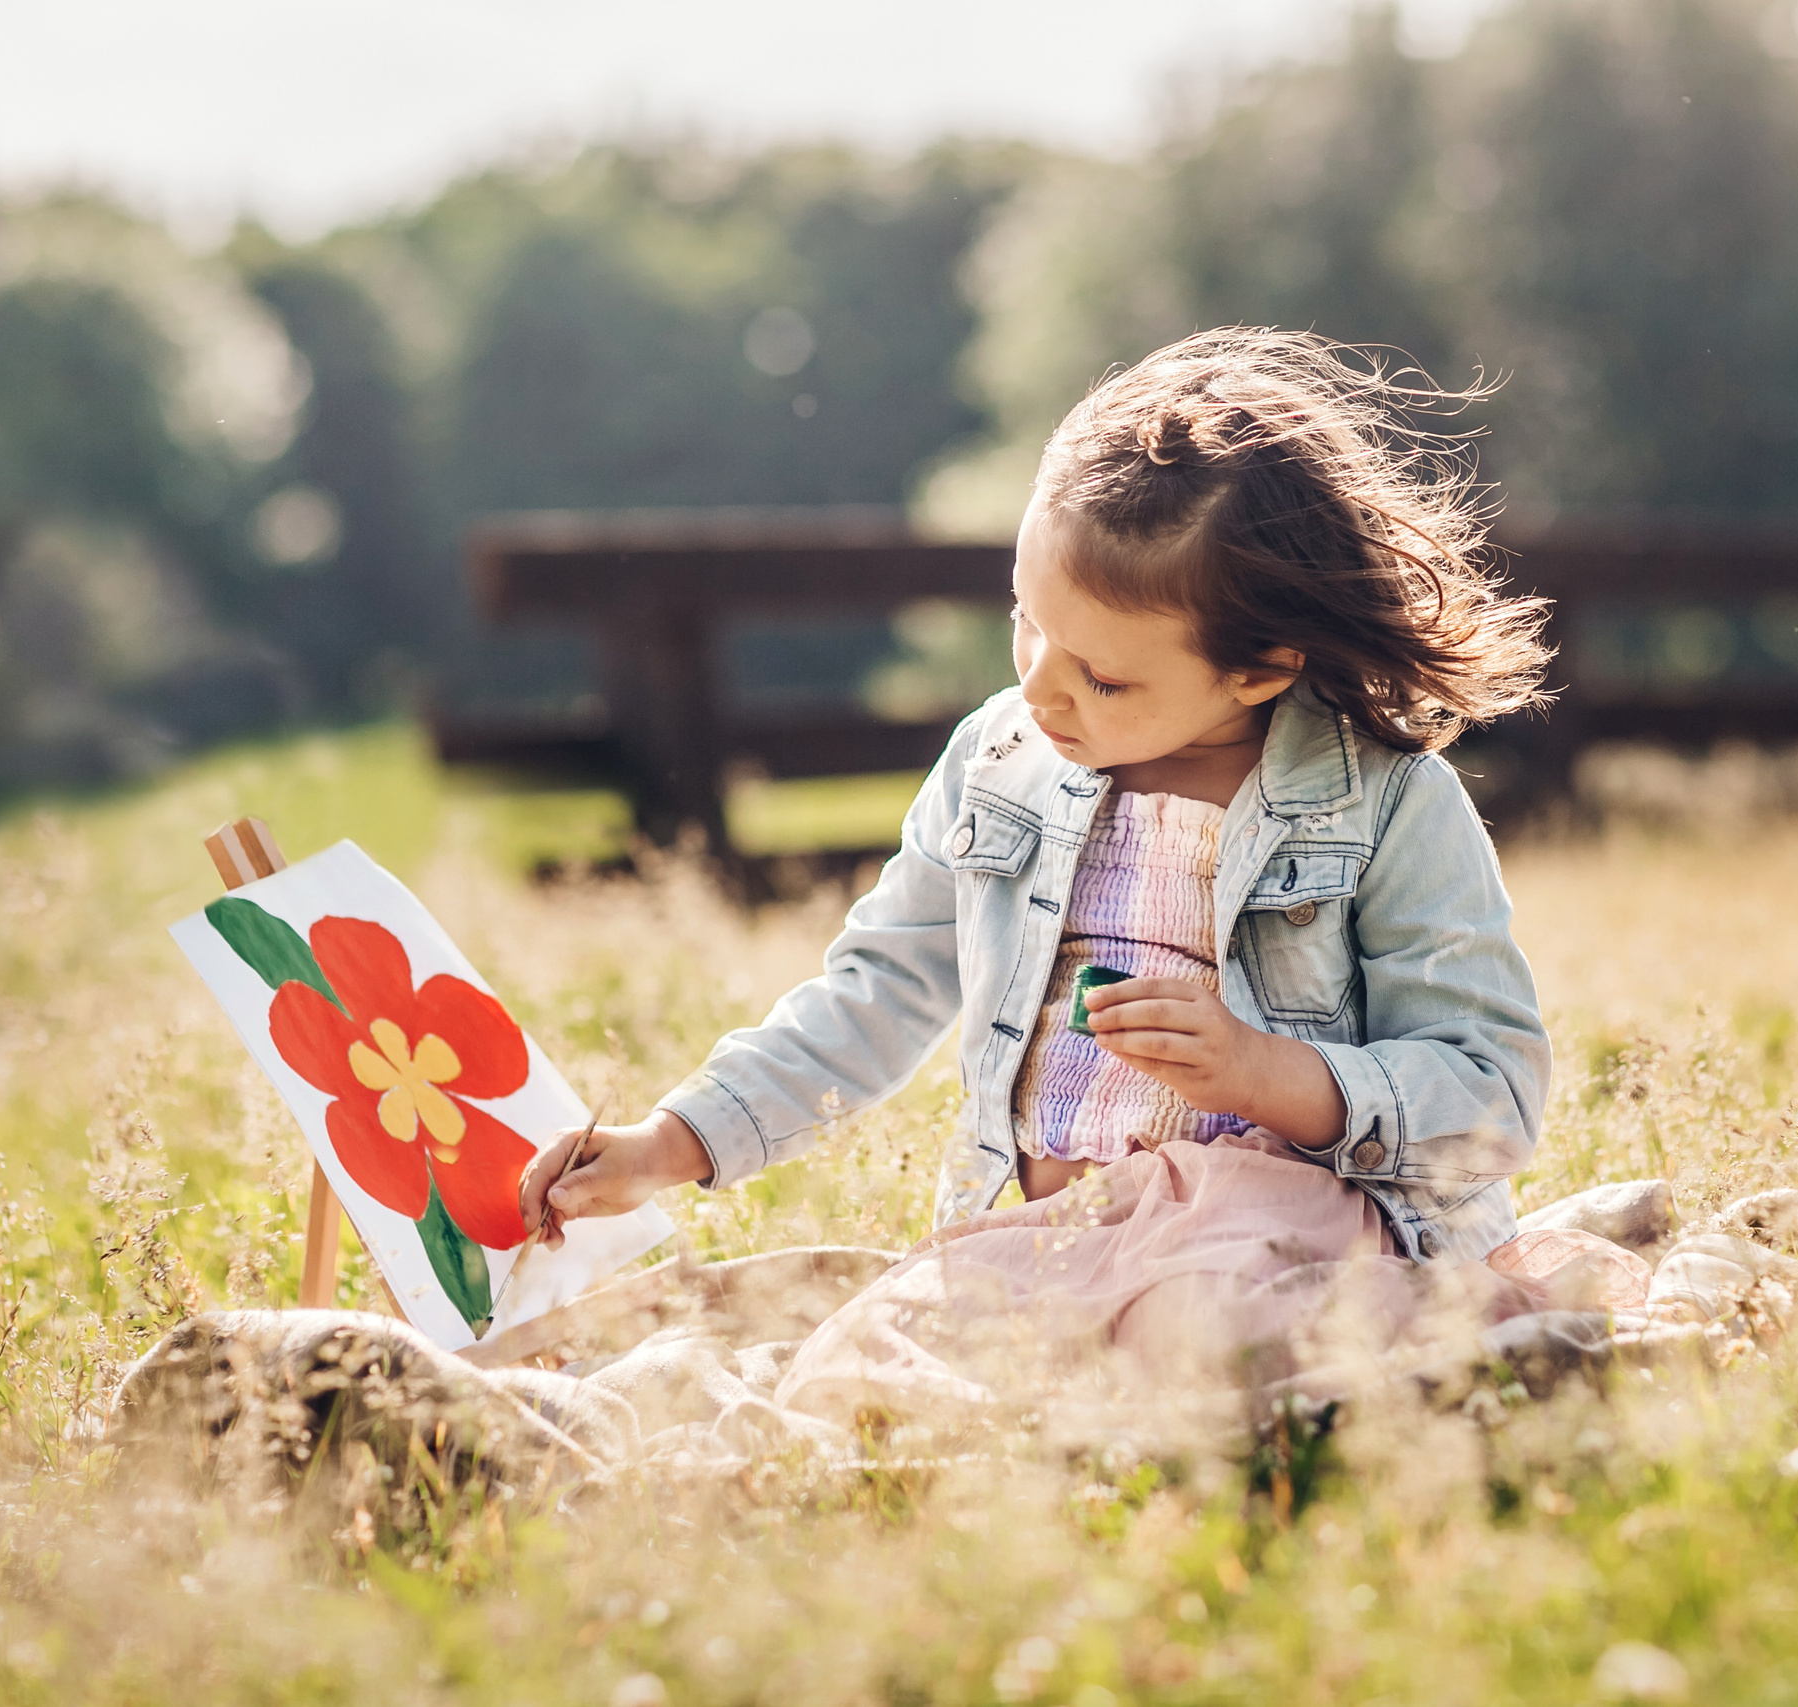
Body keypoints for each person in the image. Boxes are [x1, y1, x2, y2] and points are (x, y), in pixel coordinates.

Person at [520, 327, 1557, 1411]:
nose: (1040, 688)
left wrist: (1265, 1075)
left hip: (1268, 1227)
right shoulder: (1000, 761)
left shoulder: (1388, 802)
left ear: (1259, 670)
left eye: (1103, 677)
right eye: (1027, 621)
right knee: (856, 1374)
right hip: (1039, 1236)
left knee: (1208, 1344)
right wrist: (673, 1142)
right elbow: (875, 989)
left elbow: (1491, 1088)